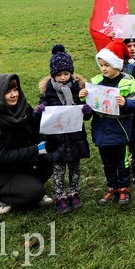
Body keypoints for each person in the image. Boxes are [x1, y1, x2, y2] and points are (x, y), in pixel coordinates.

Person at [0, 73, 53, 215]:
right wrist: (37, 150)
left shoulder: (22, 108)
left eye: (15, 90)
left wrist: (46, 128)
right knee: (34, 193)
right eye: (8, 91)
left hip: (18, 161)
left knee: (53, 157)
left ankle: (24, 187)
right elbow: (0, 157)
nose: (14, 95)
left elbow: (36, 131)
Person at [79, 39, 135, 207]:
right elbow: (90, 108)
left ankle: (124, 189)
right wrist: (84, 98)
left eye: (107, 64)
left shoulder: (127, 82)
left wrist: (125, 103)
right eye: (101, 65)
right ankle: (112, 187)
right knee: (107, 163)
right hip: (101, 130)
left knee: (122, 163)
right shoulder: (96, 81)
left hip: (120, 130)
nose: (104, 68)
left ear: (117, 64)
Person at [35, 45, 92, 213]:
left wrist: (86, 109)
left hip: (75, 136)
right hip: (56, 138)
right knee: (58, 169)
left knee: (75, 168)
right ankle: (60, 196)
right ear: (53, 75)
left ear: (71, 73)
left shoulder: (79, 89)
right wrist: (39, 110)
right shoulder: (48, 91)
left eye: (66, 74)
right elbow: (43, 110)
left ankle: (74, 193)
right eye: (58, 74)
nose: (62, 78)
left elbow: (85, 113)